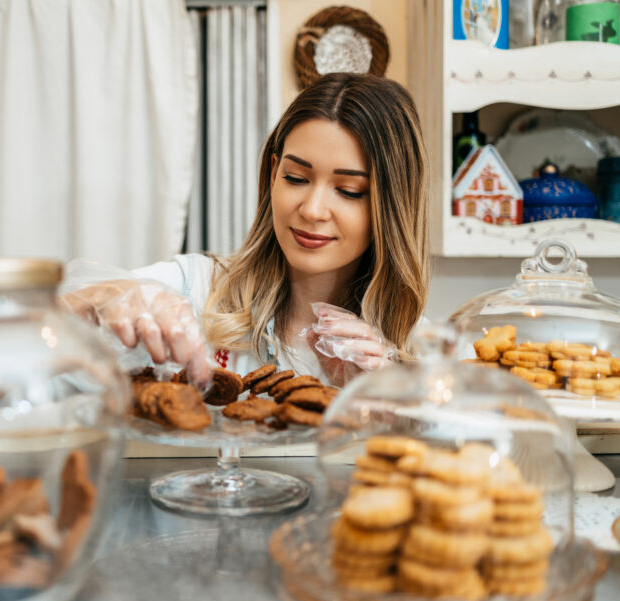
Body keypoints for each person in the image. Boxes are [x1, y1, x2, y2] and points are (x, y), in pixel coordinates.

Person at [62, 72, 429, 389]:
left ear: (392, 204)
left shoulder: (420, 353)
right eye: (296, 178)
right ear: (273, 174)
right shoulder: (195, 290)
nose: (313, 209)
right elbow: (29, 328)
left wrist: (395, 404)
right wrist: (103, 298)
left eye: (349, 191)